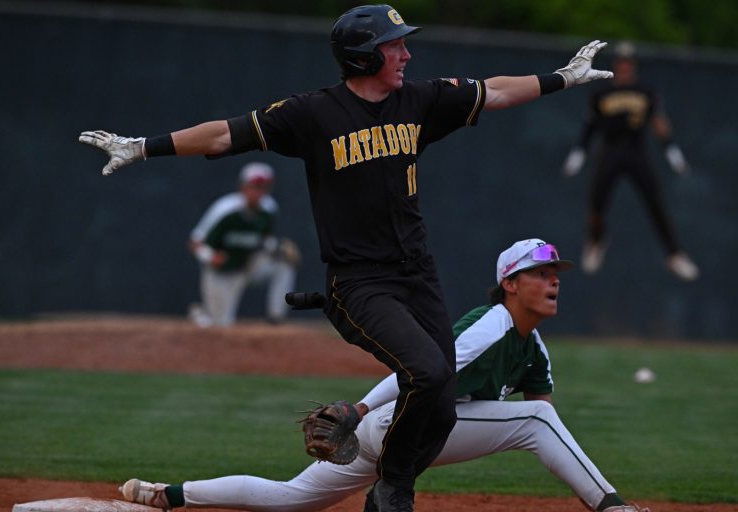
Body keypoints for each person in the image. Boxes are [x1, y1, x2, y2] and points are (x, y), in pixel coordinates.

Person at [79, 5, 613, 510]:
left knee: (442, 405)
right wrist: (144, 146)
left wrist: (562, 78)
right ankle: (394, 488)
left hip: (417, 274)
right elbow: (224, 135)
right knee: (427, 372)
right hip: (361, 281)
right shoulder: (313, 114)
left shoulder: (419, 101)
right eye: (395, 46)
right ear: (364, 56)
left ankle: (379, 474)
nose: (406, 55)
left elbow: (493, 91)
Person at [116, 238, 649, 512]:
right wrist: (360, 410)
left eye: (555, 274)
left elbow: (544, 410)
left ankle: (170, 494)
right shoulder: (491, 325)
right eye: (539, 273)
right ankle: (614, 506)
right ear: (510, 283)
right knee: (534, 420)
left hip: (413, 433)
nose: (553, 281)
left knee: (291, 498)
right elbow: (419, 369)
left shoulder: (532, 347)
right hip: (394, 424)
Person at [561, 41, 699, 281]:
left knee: (655, 201)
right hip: (609, 150)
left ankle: (675, 254)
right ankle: (595, 241)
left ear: (633, 65)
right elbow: (590, 126)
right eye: (621, 62)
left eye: (629, 62)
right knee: (596, 202)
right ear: (616, 64)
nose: (625, 66)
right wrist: (579, 153)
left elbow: (659, 122)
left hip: (637, 150)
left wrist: (672, 151)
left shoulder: (645, 91)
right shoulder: (601, 93)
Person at [187, 161, 300, 327]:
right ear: (242, 187)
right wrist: (210, 256)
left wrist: (277, 248)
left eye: (264, 187)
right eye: (254, 186)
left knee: (284, 265)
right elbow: (195, 242)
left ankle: (276, 318)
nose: (258, 192)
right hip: (222, 272)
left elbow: (262, 241)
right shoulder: (225, 209)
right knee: (221, 326)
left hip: (248, 266)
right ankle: (202, 315)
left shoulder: (269, 209)